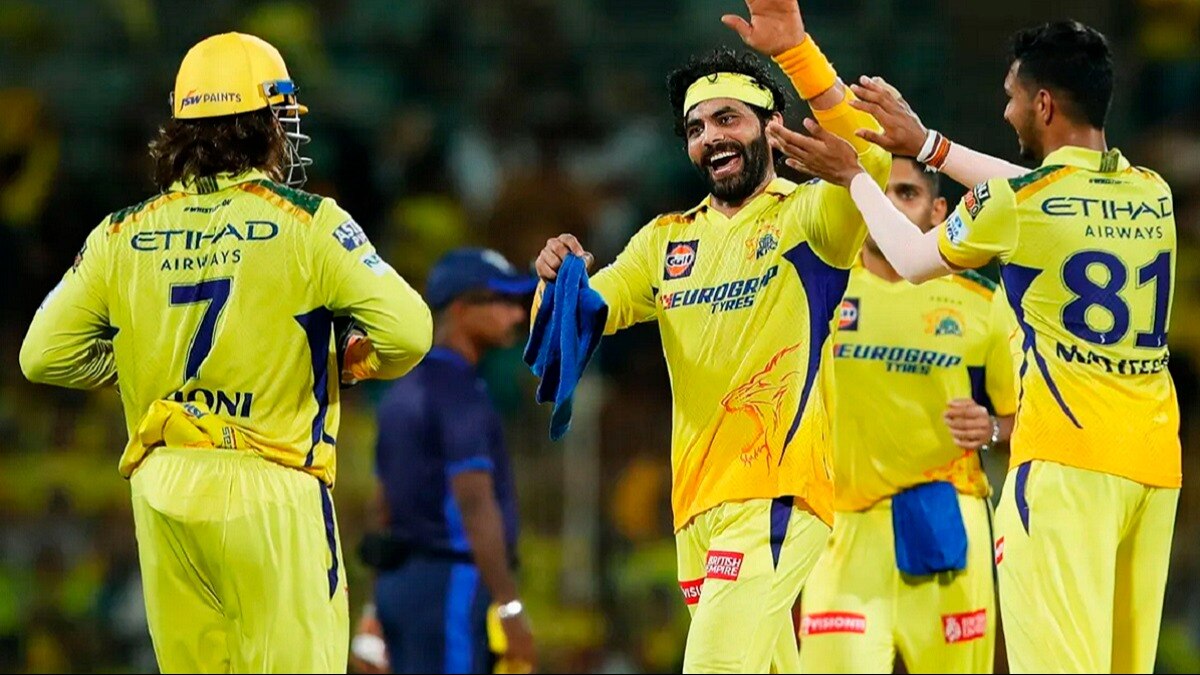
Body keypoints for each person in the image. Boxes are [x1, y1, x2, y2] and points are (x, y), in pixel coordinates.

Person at [771, 20, 1180, 674]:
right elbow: (1036, 191)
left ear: (1043, 103)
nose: (1006, 111)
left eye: (1012, 97)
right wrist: (929, 146)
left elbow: (912, 258)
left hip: (1064, 469)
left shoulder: (1019, 204)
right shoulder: (1152, 192)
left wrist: (854, 178)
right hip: (1155, 468)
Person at [19, 32, 432, 673]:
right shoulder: (308, 222)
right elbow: (410, 332)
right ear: (267, 125)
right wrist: (350, 362)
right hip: (271, 484)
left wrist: (137, 367)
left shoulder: (121, 231)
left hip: (162, 484)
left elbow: (42, 355)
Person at [532, 0, 891, 670]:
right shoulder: (663, 241)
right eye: (696, 127)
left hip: (775, 494)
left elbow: (868, 154)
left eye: (728, 118)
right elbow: (573, 324)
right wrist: (555, 280)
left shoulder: (812, 216)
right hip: (696, 506)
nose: (710, 136)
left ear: (772, 127)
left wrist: (797, 53)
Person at [795, 156, 1016, 673]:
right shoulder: (821, 289)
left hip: (946, 523)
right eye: (880, 191)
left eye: (907, 194)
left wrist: (991, 428)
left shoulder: (982, 300)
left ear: (939, 211)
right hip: (841, 532)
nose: (890, 204)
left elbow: (1025, 419)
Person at [359, 248, 538, 674]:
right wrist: (509, 605)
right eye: (501, 300)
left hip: (400, 583)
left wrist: (373, 609)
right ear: (460, 309)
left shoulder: (402, 389)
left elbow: (383, 504)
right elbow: (473, 503)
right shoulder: (459, 392)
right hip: (451, 581)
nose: (516, 314)